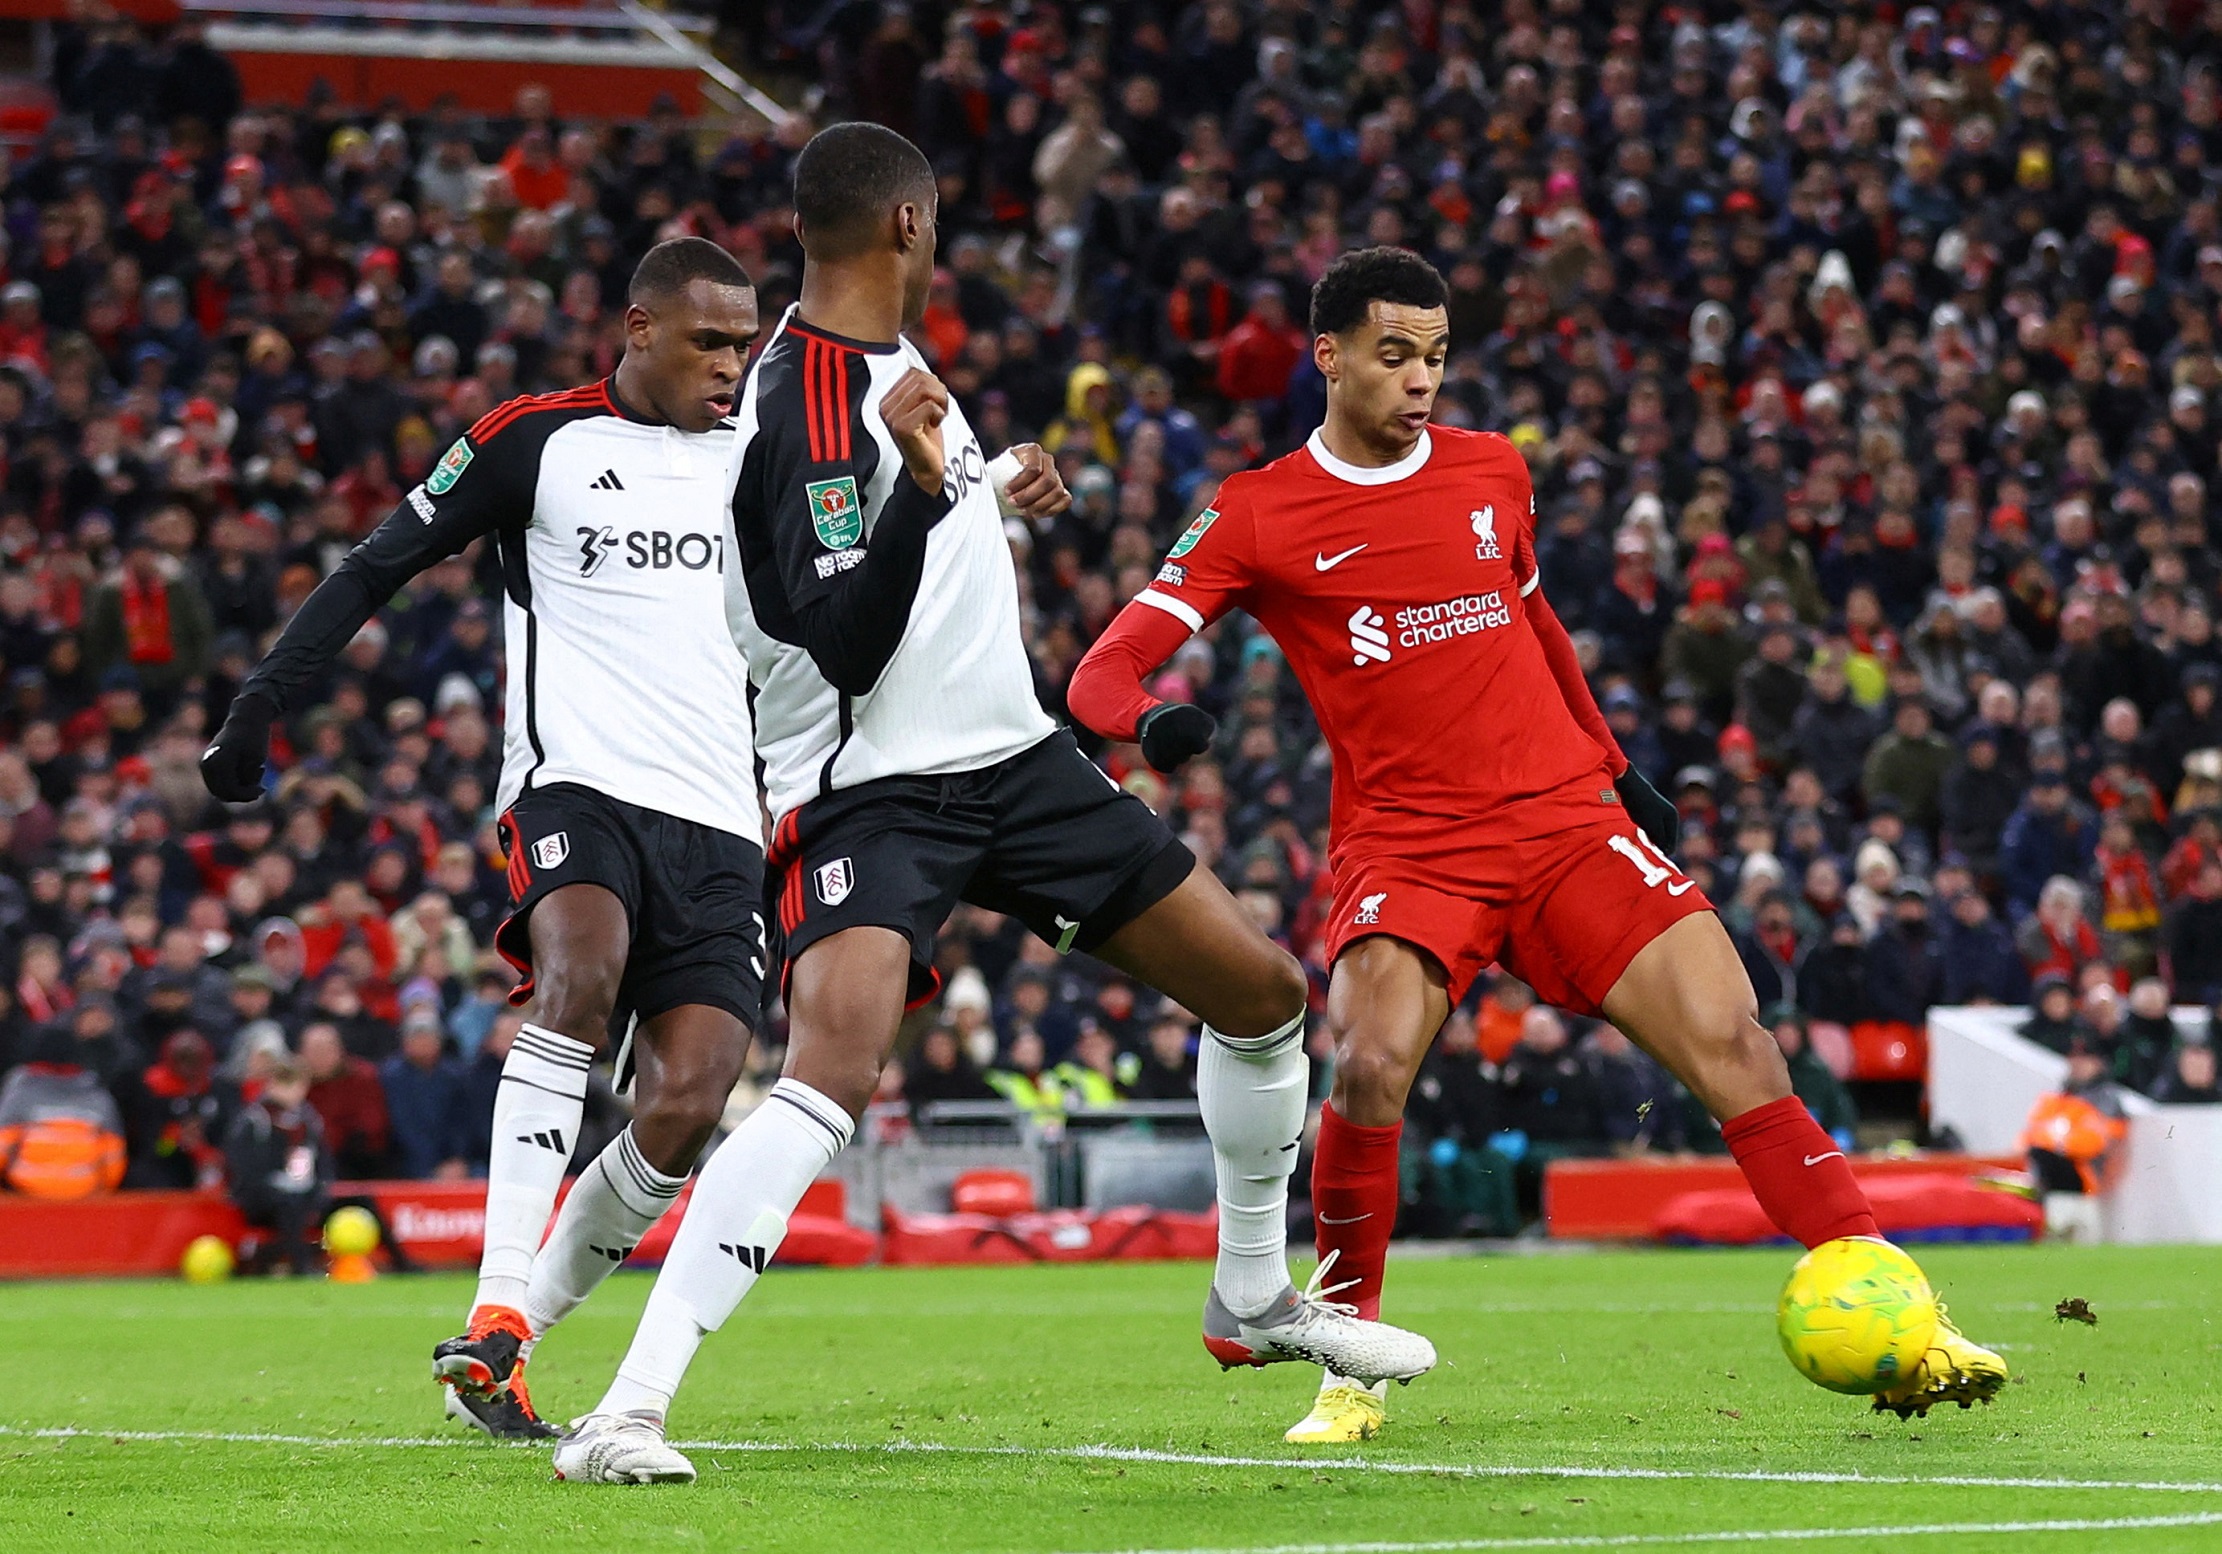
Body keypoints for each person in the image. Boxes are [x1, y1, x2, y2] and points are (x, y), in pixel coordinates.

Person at [552, 125, 1430, 1487]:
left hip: (1012, 761)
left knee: (1259, 995)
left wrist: (985, 497)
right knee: (826, 1081)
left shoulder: (898, 375)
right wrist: (919, 497)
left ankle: (1251, 1296)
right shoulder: (802, 395)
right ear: (911, 221)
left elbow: (903, 558)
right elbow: (839, 636)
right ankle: (626, 1408)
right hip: (874, 792)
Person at [1068, 246, 2002, 1445]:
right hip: (1410, 845)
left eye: (1436, 358)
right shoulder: (1258, 510)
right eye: (1394, 355)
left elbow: (1537, 622)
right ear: (1330, 355)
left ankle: (1906, 1326)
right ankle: (1348, 1368)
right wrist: (1151, 722)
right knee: (1364, 1065)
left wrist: (1618, 770)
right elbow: (1102, 668)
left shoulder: (1490, 470)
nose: (1419, 381)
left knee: (1735, 1043)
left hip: (1565, 821)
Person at [200, 238, 772, 1439]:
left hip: (725, 816)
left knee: (686, 1102)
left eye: (745, 341)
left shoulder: (767, 458)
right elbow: (377, 565)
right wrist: (261, 700)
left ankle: (506, 1350)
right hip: (576, 785)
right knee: (579, 971)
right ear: (638, 328)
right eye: (710, 340)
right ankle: (496, 1299)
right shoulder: (532, 439)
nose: (733, 363)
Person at [222, 1055, 333, 1275]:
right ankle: (302, 1267)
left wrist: (319, 1190)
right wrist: (280, 1184)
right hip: (262, 1199)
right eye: (287, 1083)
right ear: (271, 1084)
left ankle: (402, 1262)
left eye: (299, 1084)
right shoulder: (254, 1120)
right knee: (289, 1202)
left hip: (303, 1193)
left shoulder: (308, 1120)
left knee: (362, 1201)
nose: (295, 1091)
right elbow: (243, 1170)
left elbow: (323, 1163)